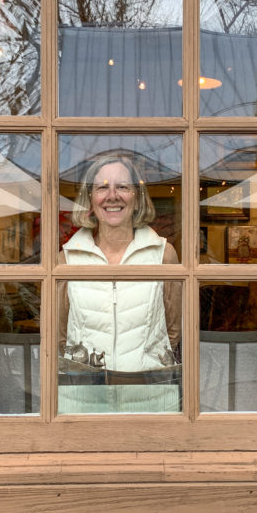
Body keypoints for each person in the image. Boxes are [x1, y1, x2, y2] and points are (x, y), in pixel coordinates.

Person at [61, 154, 179, 372]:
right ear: (90, 200)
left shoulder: (164, 255)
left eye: (123, 187)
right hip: (83, 394)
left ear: (137, 199)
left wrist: (145, 364)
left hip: (150, 393)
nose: (112, 196)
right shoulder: (67, 259)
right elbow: (58, 333)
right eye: (102, 188)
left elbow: (174, 329)